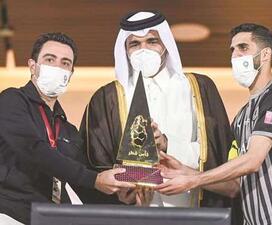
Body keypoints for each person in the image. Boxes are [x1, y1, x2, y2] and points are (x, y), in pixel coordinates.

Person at [80, 11, 233, 208]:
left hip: (191, 208)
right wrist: (122, 191)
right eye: (134, 44)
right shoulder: (107, 97)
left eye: (152, 41)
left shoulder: (197, 87)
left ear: (166, 46)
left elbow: (217, 151)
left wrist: (167, 144)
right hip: (134, 213)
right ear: (125, 50)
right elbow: (95, 165)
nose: (143, 49)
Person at [156, 23, 272, 225]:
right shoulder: (241, 116)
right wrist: (185, 171)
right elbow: (234, 185)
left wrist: (194, 180)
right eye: (232, 50)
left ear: (265, 54)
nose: (235, 56)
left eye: (243, 48)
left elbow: (253, 160)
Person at [0, 32, 135, 224]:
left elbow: (85, 186)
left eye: (65, 63)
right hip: (10, 213)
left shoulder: (68, 131)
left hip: (51, 217)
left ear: (71, 73)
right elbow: (33, 149)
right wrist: (94, 180)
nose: (57, 67)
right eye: (49, 59)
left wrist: (120, 197)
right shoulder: (12, 100)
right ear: (32, 66)